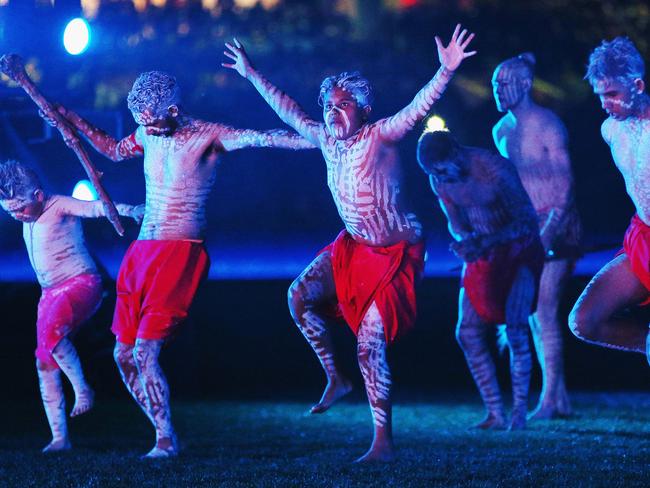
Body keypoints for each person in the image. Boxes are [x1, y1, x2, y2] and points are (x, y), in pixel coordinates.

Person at [223, 24, 475, 461]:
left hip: (396, 253)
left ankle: (383, 441)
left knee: (369, 344)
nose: (331, 112)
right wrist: (250, 73)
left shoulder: (379, 134)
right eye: (328, 105)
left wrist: (445, 71)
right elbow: (289, 111)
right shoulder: (325, 139)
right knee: (298, 296)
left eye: (341, 105)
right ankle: (335, 378)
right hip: (354, 247)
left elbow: (416, 111)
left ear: (363, 108)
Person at [43, 71, 315, 458]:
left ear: (172, 109)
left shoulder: (208, 135)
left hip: (180, 250)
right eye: (141, 121)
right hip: (142, 251)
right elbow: (113, 150)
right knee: (123, 354)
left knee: (144, 352)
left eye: (152, 120)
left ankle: (165, 441)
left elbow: (264, 136)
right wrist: (69, 116)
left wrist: (325, 139)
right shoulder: (146, 132)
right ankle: (164, 432)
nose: (146, 129)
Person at [0, 159, 143, 452]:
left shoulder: (60, 205)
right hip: (49, 293)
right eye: (10, 211)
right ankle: (59, 438)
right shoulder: (26, 214)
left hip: (80, 283)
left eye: (20, 208)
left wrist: (130, 211)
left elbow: (97, 208)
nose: (17, 216)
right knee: (44, 360)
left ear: (38, 196)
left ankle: (83, 389)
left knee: (53, 337)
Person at [417, 130, 544, 430]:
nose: (441, 177)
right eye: (434, 173)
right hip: (483, 254)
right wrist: (465, 241)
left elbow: (527, 220)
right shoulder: (439, 179)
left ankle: (519, 415)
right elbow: (456, 223)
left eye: (443, 170)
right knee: (468, 332)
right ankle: (495, 412)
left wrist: (491, 241)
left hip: (519, 250)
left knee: (515, 330)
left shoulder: (493, 168)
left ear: (457, 154)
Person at [492, 53, 581, 419]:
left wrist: (549, 233)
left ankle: (549, 400)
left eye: (504, 83)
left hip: (557, 227)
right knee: (531, 315)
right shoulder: (501, 130)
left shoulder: (549, 126)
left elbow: (565, 185)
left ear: (525, 84)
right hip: (526, 230)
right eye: (495, 83)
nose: (497, 90)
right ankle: (558, 398)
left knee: (544, 310)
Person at [569, 37, 650, 364]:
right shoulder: (610, 131)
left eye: (612, 95)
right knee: (583, 321)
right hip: (642, 238)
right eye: (600, 96)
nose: (605, 104)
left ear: (638, 85)